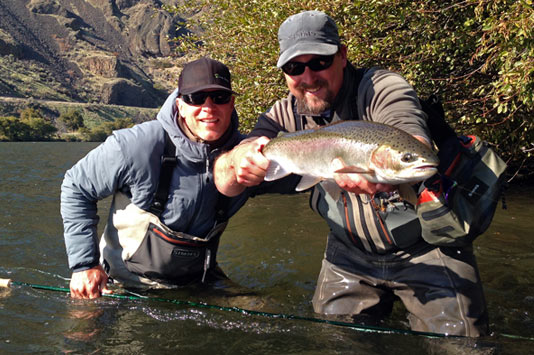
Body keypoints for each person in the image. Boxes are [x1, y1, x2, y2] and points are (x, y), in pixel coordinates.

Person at [214, 11, 489, 337]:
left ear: (342, 55)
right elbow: (224, 182)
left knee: (462, 345)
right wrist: (238, 161)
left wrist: (391, 165)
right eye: (294, 68)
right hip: (348, 255)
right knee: (337, 341)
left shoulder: (381, 87)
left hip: (427, 248)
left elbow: (412, 134)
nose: (308, 76)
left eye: (319, 62)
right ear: (285, 73)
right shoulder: (282, 117)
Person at [61, 57, 250, 299]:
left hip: (199, 284)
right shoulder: (135, 145)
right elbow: (76, 187)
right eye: (196, 98)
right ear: (180, 105)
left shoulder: (247, 155)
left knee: (264, 308)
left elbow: (299, 177)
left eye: (219, 98)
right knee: (85, 332)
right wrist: (84, 265)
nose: (209, 107)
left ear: (232, 103)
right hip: (123, 285)